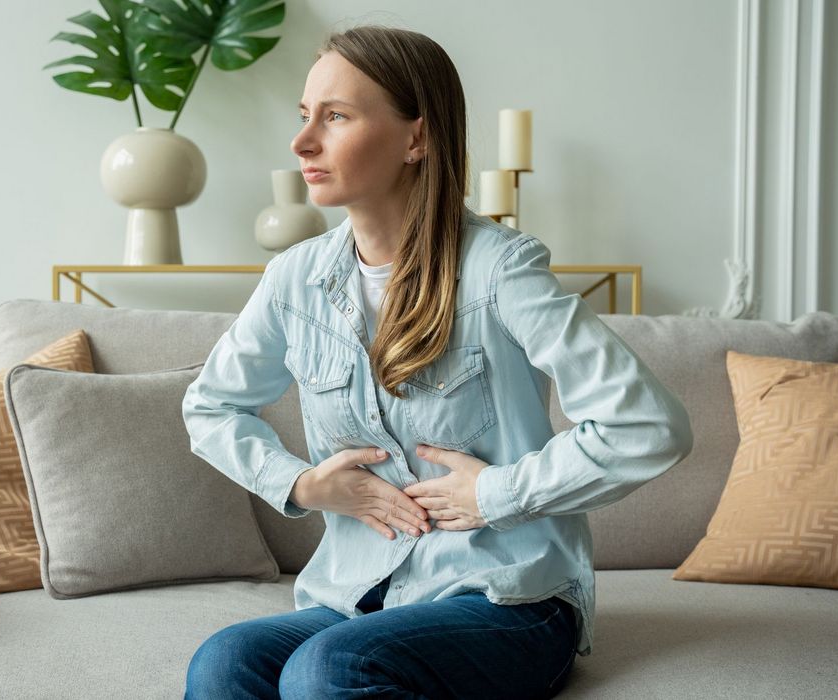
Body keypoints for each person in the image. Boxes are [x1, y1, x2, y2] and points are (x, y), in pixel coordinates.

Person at [180, 25, 693, 700]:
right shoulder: (293, 278)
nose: (303, 142)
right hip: (359, 595)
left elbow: (650, 427)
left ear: (415, 138)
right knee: (224, 661)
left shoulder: (501, 269)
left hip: (507, 598)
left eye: (336, 117)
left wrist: (496, 494)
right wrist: (301, 485)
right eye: (305, 117)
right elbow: (210, 407)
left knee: (329, 671)